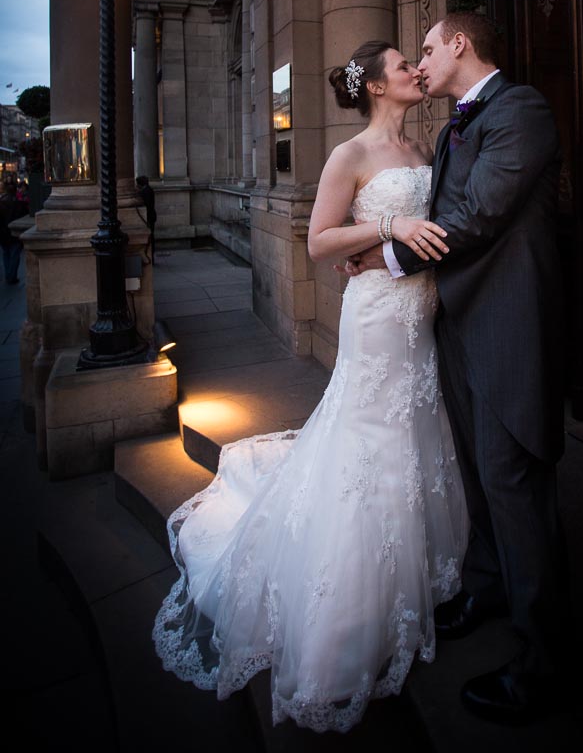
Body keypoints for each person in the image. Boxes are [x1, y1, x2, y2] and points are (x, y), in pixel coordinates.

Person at [152, 41, 468, 733]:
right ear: (376, 86)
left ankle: (415, 569)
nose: (415, 70)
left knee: (415, 424)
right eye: (402, 65)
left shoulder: (425, 147)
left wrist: (394, 244)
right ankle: (347, 611)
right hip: (377, 316)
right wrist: (386, 225)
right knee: (371, 434)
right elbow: (321, 240)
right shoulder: (348, 155)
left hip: (421, 311)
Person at [346, 12, 570, 726]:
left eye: (428, 48)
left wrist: (384, 257)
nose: (421, 61)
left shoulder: (521, 111)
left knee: (513, 484)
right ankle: (488, 586)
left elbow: (477, 216)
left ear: (459, 45)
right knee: (476, 472)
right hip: (455, 325)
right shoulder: (448, 131)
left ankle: (544, 663)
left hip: (508, 327)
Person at [0, 180, 28, 285]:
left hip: (3, 234)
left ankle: (8, 274)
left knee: (6, 254)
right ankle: (11, 275)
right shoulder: (18, 203)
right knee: (14, 255)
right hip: (13, 234)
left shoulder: (1, 203)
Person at [135, 175, 156, 263]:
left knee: (150, 236)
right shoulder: (148, 189)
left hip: (149, 217)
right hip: (150, 216)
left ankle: (150, 256)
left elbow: (147, 204)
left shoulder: (146, 191)